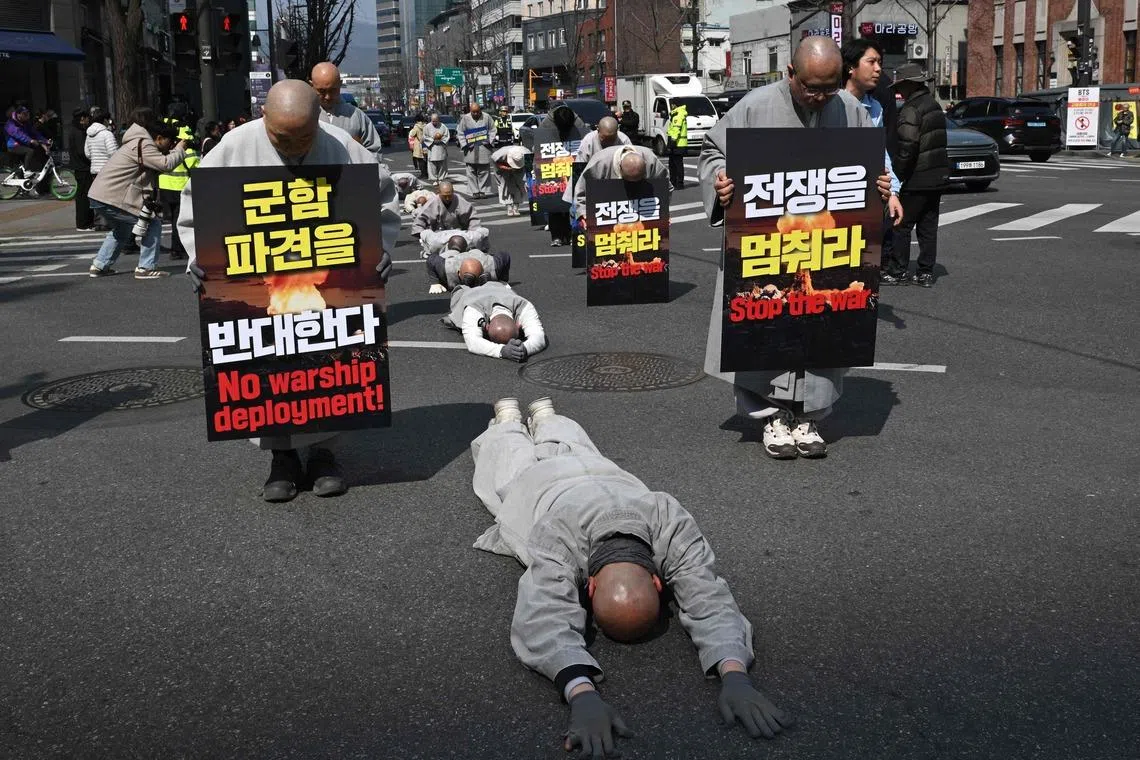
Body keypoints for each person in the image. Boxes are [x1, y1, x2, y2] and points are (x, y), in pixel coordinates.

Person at [470, 401, 794, 755]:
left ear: (590, 587)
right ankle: (512, 421)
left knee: (572, 448)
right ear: (657, 582)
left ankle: (540, 419)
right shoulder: (563, 532)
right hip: (539, 486)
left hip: (596, 473)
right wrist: (734, 675)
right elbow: (707, 597)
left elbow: (547, 614)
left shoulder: (665, 515)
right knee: (508, 466)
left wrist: (581, 692)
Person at [176, 79, 399, 504]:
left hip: (322, 281)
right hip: (262, 281)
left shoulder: (344, 147)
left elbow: (382, 203)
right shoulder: (232, 148)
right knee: (268, 366)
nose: (294, 147)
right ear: (264, 118)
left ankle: (323, 456)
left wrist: (381, 250)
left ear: (319, 119)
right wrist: (198, 258)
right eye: (282, 138)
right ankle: (281, 458)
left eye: (303, 136)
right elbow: (195, 208)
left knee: (328, 363)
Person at [698, 37, 893, 460]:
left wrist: (882, 188)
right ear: (790, 74)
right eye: (811, 88)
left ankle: (809, 418)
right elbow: (713, 150)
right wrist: (721, 182)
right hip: (767, 240)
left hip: (825, 242)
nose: (821, 98)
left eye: (829, 88)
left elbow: (871, 164)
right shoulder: (755, 106)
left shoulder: (850, 109)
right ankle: (771, 416)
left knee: (824, 325)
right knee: (764, 322)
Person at [86, 108, 186, 279]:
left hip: (100, 195)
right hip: (110, 196)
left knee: (122, 228)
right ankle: (145, 268)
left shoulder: (135, 140)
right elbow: (165, 164)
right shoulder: (143, 142)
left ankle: (100, 265)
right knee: (152, 223)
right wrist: (179, 150)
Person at [882, 63, 948, 289]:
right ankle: (926, 272)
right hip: (937, 176)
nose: (898, 90)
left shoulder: (911, 109)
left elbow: (907, 147)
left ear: (909, 85)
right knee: (928, 227)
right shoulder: (935, 106)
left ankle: (898, 270)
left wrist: (897, 175)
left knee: (901, 224)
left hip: (916, 177)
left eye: (900, 85)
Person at [841, 39, 904, 228]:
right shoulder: (831, 103)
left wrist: (893, 193)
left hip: (866, 197)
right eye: (871, 62)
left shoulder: (875, 107)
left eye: (880, 63)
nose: (878, 69)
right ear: (851, 67)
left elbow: (880, 152)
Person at [444, 276, 545, 361]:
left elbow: (539, 338)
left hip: (497, 287)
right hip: (468, 294)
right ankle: (475, 281)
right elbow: (473, 343)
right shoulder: (473, 310)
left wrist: (524, 349)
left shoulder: (524, 307)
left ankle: (482, 280)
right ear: (518, 326)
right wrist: (502, 351)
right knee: (458, 294)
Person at [534, 103, 587, 246]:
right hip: (553, 167)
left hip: (571, 166)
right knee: (554, 203)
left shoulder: (578, 123)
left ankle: (571, 234)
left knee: (572, 204)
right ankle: (556, 236)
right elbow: (539, 148)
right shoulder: (546, 125)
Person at [310, 62, 385, 160]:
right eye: (322, 91)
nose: (328, 97)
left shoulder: (356, 116)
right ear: (311, 85)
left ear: (340, 84)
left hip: (351, 174)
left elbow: (374, 152)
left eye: (333, 90)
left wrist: (359, 151)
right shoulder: (305, 116)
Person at [572, 144, 669, 219]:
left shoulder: (651, 160)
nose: (633, 184)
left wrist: (663, 212)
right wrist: (583, 213)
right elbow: (580, 191)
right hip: (607, 206)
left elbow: (666, 188)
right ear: (619, 167)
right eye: (629, 180)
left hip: (642, 206)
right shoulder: (600, 163)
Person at [158, 102, 200, 261]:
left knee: (164, 218)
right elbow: (189, 154)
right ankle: (177, 249)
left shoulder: (162, 127)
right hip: (180, 181)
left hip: (164, 179)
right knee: (180, 218)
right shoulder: (184, 129)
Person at [425, 235, 511, 294]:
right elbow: (431, 259)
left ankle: (471, 248)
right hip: (455, 259)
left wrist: (503, 279)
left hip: (478, 256)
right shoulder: (446, 267)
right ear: (458, 273)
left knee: (475, 250)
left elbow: (505, 256)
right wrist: (435, 282)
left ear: (483, 273)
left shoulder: (492, 265)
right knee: (456, 246)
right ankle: (458, 247)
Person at [411, 180, 482, 236]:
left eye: (450, 195)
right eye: (444, 196)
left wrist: (473, 233)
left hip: (460, 233)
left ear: (453, 192)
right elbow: (419, 221)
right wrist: (424, 235)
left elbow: (473, 219)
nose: (447, 198)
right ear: (439, 192)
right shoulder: (432, 202)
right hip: (437, 235)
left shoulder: (460, 201)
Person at [457, 103, 495, 198]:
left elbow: (492, 130)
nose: (475, 114)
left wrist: (489, 140)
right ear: (470, 111)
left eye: (477, 112)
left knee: (484, 171)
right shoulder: (465, 118)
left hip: (483, 146)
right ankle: (474, 191)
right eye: (473, 112)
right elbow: (460, 132)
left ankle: (483, 191)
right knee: (471, 171)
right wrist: (465, 144)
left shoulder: (487, 117)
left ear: (480, 110)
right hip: (470, 148)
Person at [4, 105, 50, 178]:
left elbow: (34, 133)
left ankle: (25, 183)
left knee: (30, 164)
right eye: (25, 114)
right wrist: (30, 140)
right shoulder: (10, 124)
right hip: (13, 146)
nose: (27, 116)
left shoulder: (25, 123)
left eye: (28, 114)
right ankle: (27, 170)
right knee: (30, 151)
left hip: (23, 146)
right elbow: (18, 134)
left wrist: (46, 141)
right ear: (19, 115)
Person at [69, 108, 94, 230]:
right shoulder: (78, 132)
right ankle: (83, 224)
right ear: (82, 119)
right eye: (87, 118)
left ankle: (85, 222)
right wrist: (91, 158)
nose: (88, 120)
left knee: (83, 195)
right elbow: (81, 151)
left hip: (80, 167)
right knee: (83, 196)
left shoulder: (75, 130)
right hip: (83, 167)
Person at [491, 143, 529, 216]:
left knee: (520, 185)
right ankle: (509, 206)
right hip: (503, 165)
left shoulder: (526, 152)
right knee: (504, 185)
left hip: (521, 167)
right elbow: (495, 162)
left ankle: (516, 206)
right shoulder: (499, 154)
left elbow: (530, 165)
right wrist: (504, 167)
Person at [423, 112, 451, 184]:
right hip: (432, 148)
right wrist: (433, 141)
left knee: (442, 164)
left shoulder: (443, 126)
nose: (434, 122)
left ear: (438, 120)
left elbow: (446, 136)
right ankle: (435, 179)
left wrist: (441, 141)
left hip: (441, 147)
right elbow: (425, 137)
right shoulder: (427, 127)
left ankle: (441, 178)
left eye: (435, 121)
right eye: (433, 121)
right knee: (432, 165)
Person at [666, 102, 688, 189]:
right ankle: (674, 182)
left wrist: (672, 142)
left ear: (675, 105)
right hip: (678, 142)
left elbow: (676, 128)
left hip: (677, 143)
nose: (671, 106)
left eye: (672, 104)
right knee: (673, 164)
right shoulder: (677, 113)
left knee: (677, 164)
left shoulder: (678, 114)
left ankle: (679, 183)